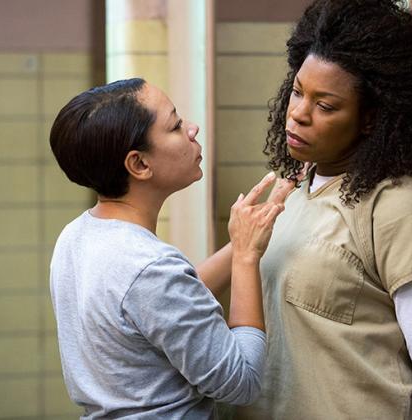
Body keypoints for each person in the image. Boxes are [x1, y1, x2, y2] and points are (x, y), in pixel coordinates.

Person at [236, 1, 412, 419]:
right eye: (297, 91)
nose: (298, 114)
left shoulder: (405, 212)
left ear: (370, 119)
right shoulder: (297, 192)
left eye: (325, 106)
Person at [48, 77, 293, 419]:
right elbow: (242, 380)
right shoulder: (150, 267)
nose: (192, 128)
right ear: (140, 164)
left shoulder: (76, 236)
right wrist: (246, 258)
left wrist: (243, 241)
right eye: (176, 125)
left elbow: (157, 307)